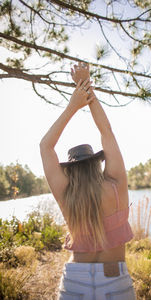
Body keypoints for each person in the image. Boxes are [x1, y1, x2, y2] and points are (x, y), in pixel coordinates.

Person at [40, 62, 136, 300]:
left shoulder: (65, 194)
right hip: (116, 280)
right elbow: (107, 132)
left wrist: (73, 105)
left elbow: (45, 146)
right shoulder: (115, 186)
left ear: (70, 171)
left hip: (76, 281)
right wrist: (85, 88)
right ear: (97, 163)